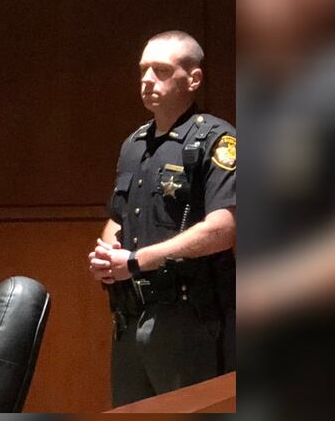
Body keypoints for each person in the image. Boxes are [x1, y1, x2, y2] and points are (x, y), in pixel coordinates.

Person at [88, 30, 236, 407]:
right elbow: (119, 216)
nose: (147, 80)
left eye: (161, 70)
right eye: (143, 70)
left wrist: (136, 261)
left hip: (188, 319)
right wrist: (106, 255)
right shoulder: (134, 144)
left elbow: (224, 229)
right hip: (130, 315)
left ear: (194, 79)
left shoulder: (216, 140)